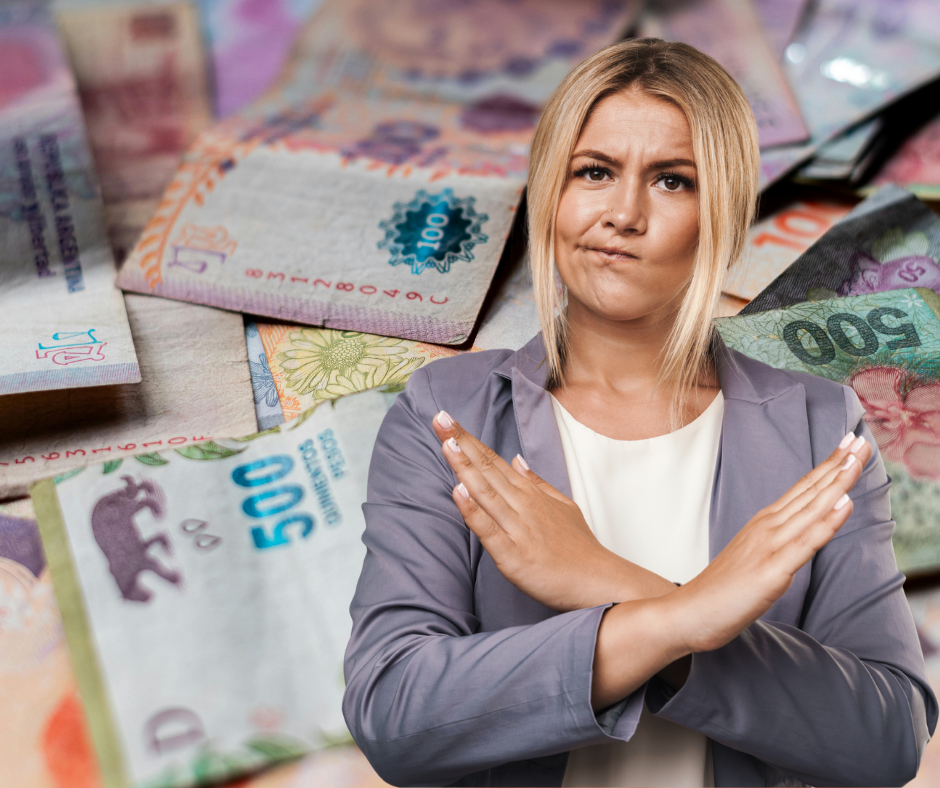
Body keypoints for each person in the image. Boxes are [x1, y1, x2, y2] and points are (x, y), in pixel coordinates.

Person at [342, 38, 936, 787]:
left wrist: (596, 575)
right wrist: (683, 617)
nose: (622, 213)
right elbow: (393, 713)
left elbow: (886, 737)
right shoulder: (447, 413)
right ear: (550, 190)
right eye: (594, 172)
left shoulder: (822, 427)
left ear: (721, 210)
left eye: (672, 182)